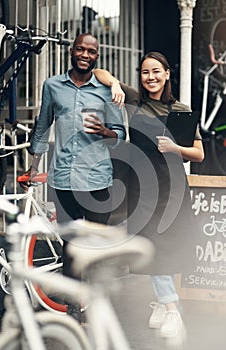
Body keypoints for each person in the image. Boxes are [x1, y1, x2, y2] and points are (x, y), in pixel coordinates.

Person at [94, 51, 204, 339]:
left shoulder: (181, 110)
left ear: (167, 74)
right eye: (145, 72)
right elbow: (99, 73)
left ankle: (169, 308)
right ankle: (167, 305)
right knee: (150, 244)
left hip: (172, 188)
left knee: (165, 245)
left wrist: (176, 150)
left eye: (157, 71)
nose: (151, 77)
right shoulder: (133, 102)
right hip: (142, 187)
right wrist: (115, 85)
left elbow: (199, 154)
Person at [21, 33, 126, 305]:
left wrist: (104, 131)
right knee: (70, 248)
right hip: (63, 181)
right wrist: (32, 170)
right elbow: (42, 128)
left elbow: (120, 135)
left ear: (97, 56)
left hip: (97, 181)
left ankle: (96, 308)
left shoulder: (106, 91)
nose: (85, 55)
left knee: (94, 248)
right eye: (80, 49)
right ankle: (74, 313)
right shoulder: (53, 86)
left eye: (91, 52)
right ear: (72, 51)